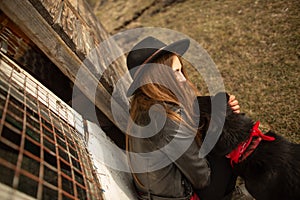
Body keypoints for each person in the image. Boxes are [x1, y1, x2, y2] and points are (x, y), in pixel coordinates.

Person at [125, 36, 240, 200]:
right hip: (177, 196)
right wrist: (223, 123)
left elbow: (192, 113)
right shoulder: (165, 119)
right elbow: (202, 179)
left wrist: (222, 107)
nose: (184, 79)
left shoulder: (145, 102)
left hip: (157, 192)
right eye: (176, 72)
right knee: (229, 144)